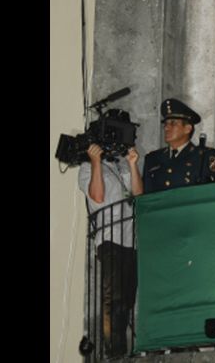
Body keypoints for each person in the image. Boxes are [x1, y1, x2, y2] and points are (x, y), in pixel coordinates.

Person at [77, 110, 143, 358]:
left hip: (132, 240)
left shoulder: (122, 164)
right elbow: (97, 196)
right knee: (112, 301)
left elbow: (138, 197)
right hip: (110, 240)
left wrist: (133, 165)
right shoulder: (87, 167)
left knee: (126, 301)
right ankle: (114, 353)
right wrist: (95, 162)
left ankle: (125, 348)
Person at [142, 98, 215, 193]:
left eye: (173, 123)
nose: (166, 127)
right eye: (165, 124)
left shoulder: (203, 156)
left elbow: (212, 193)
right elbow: (144, 196)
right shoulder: (152, 158)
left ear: (187, 129)